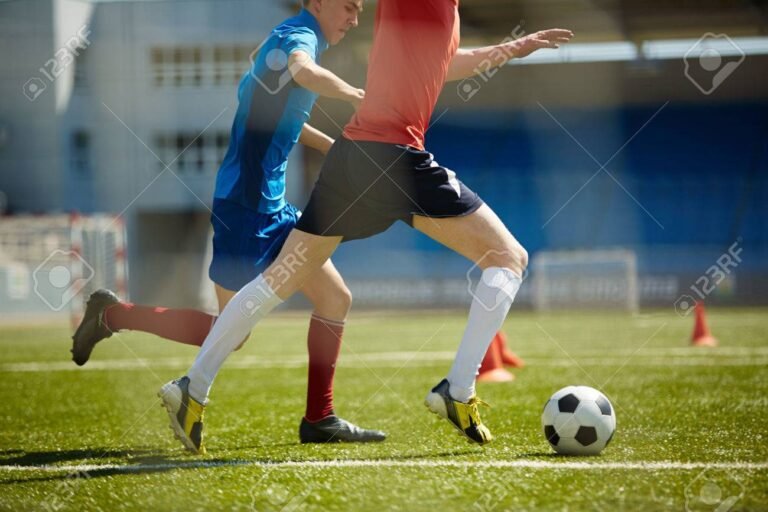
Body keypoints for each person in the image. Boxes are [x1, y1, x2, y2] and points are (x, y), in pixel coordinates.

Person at [159, 0, 573, 453]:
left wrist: (512, 49)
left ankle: (192, 389)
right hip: (396, 161)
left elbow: (444, 65)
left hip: (353, 159)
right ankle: (457, 391)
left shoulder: (445, 13)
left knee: (279, 280)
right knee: (509, 258)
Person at [73, 0, 386, 450]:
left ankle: (320, 418)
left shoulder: (288, 39)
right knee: (230, 332)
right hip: (245, 206)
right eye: (348, 7)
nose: (356, 19)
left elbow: (286, 121)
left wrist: (334, 147)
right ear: (317, 3)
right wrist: (360, 96)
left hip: (273, 208)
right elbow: (303, 72)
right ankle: (113, 315)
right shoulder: (297, 41)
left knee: (335, 298)